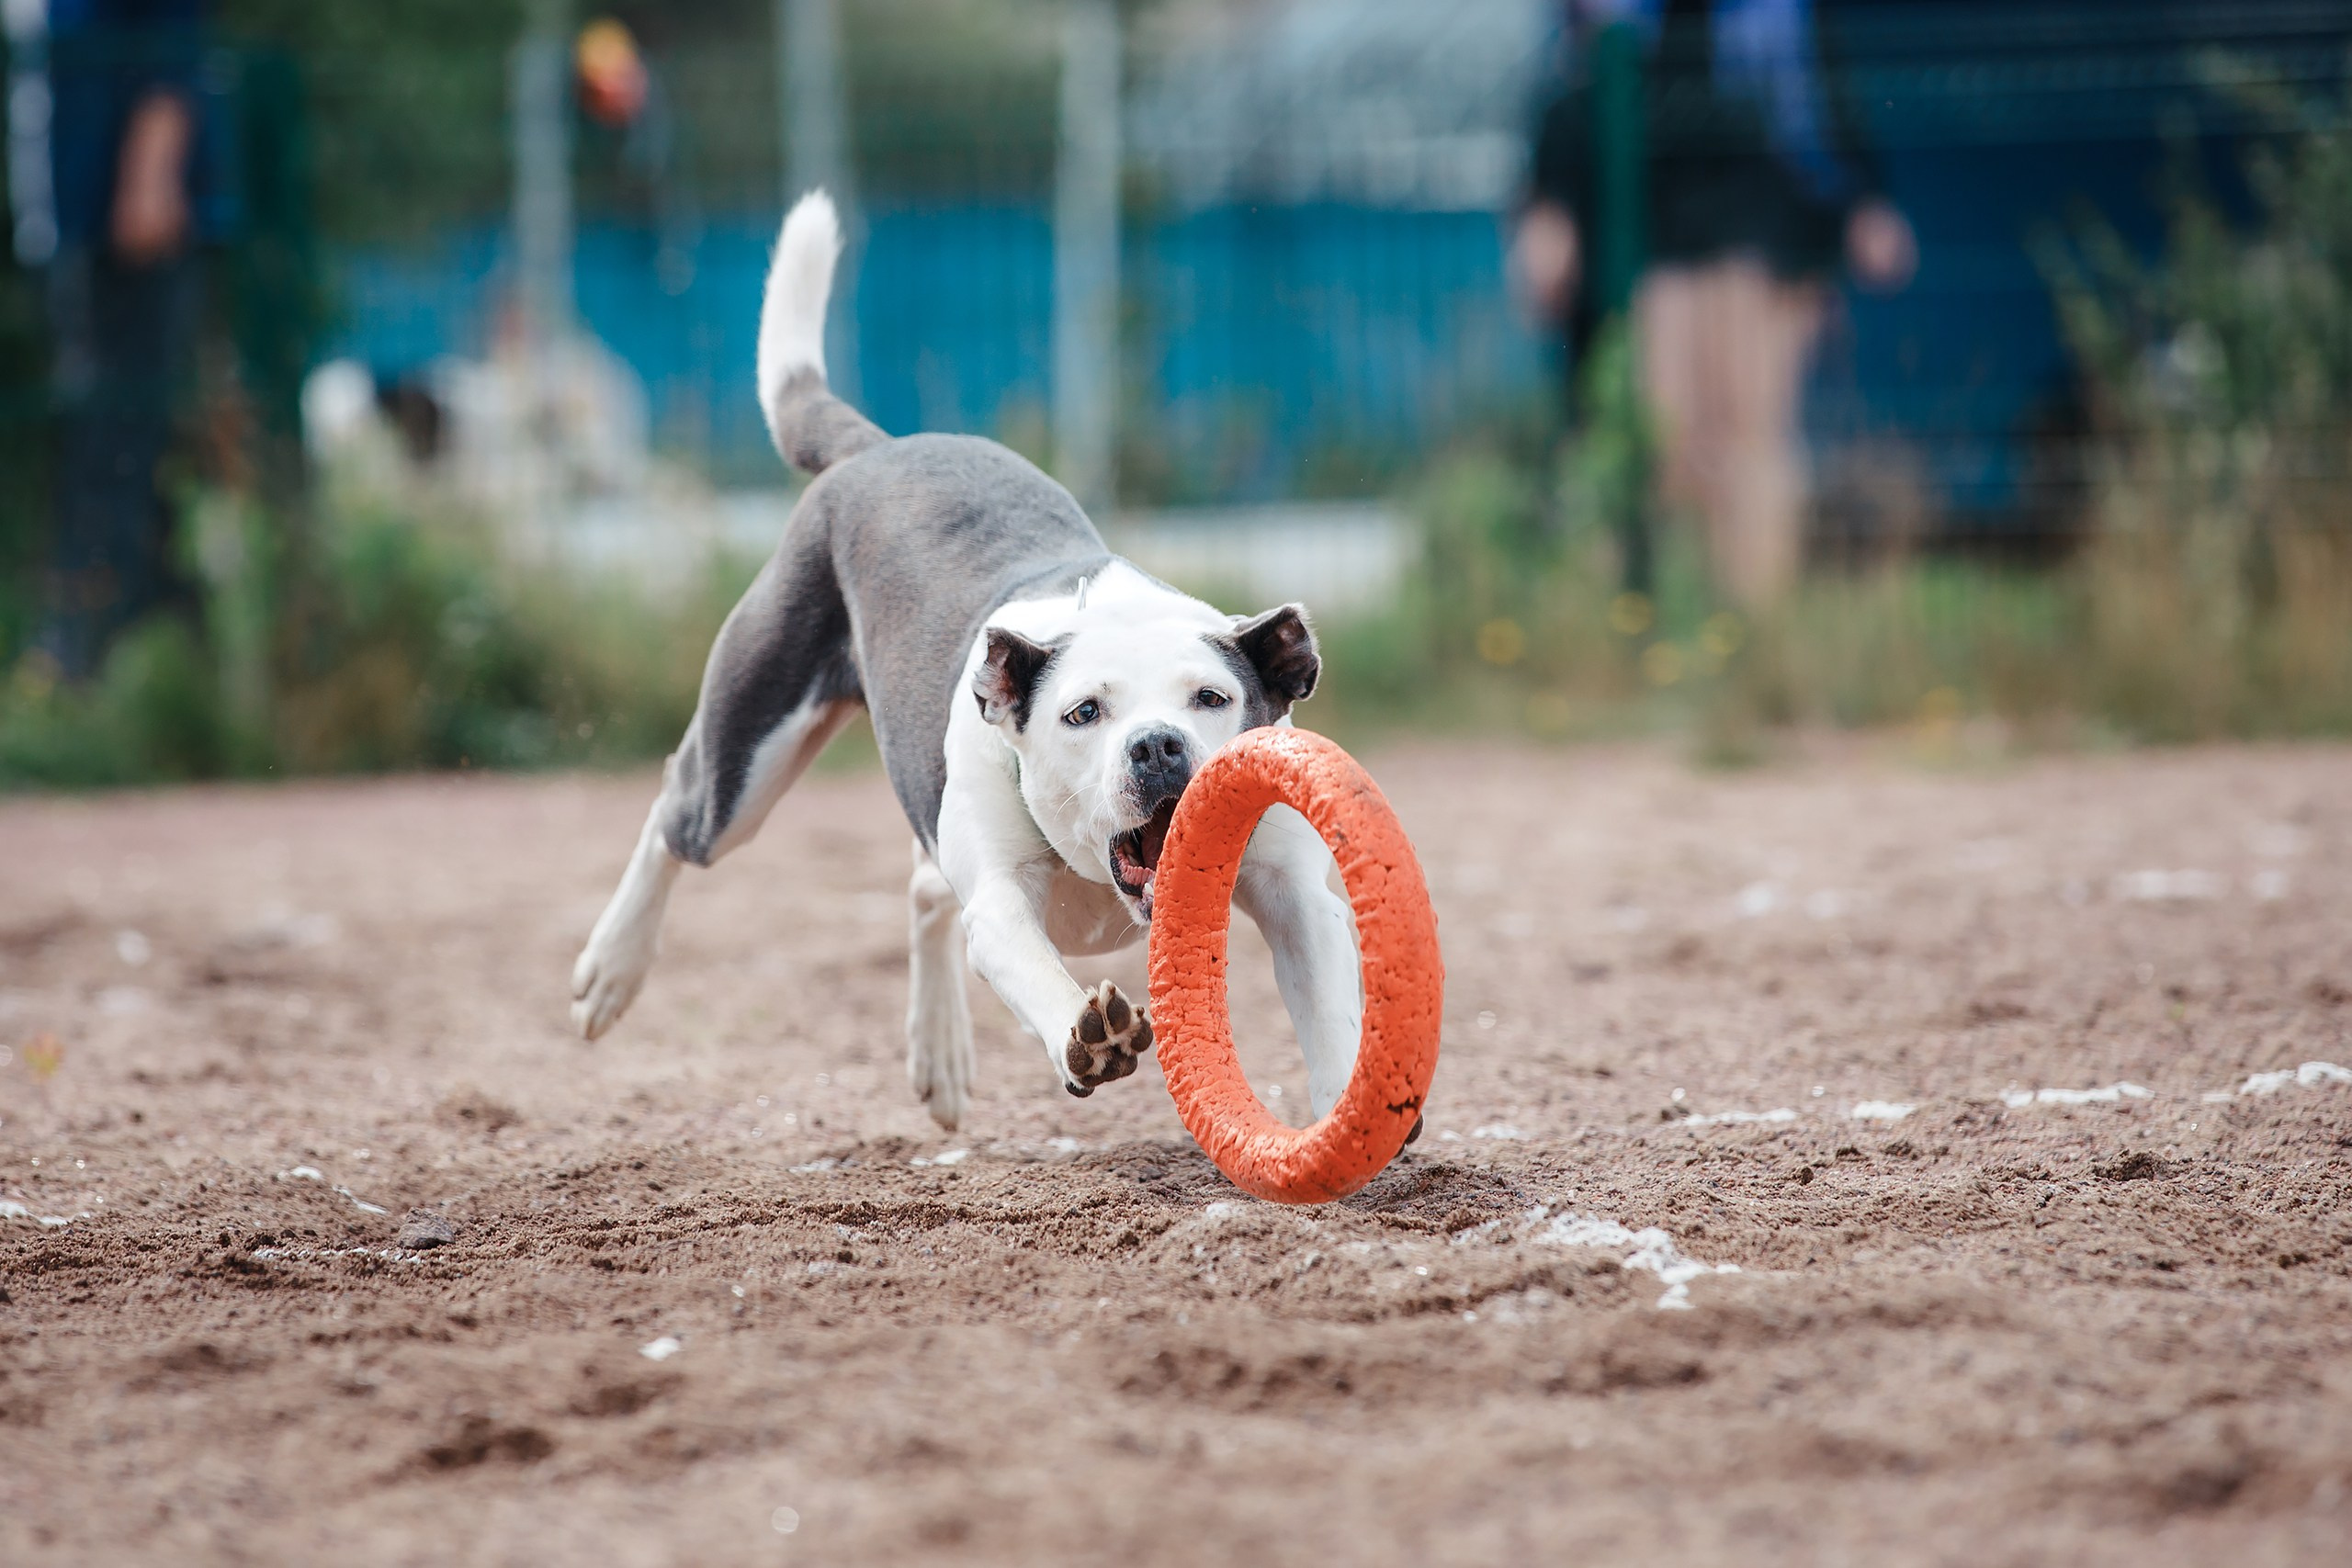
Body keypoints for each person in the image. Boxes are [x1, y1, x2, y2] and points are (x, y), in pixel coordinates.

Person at [1514, 0, 1916, 608]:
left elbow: (1822, 105)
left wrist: (1864, 202)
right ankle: (1686, 620)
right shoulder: (1616, 18)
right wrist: (1550, 203)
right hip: (1659, 230)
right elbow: (1573, 98)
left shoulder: (1779, 16)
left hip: (1766, 228)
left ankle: (1759, 622)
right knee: (1668, 439)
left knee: (1752, 436)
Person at [38, 0, 209, 679]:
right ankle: (146, 661)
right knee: (101, 437)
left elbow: (174, 31)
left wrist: (151, 170)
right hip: (66, 222)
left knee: (123, 438)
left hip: (127, 227)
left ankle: (103, 658)